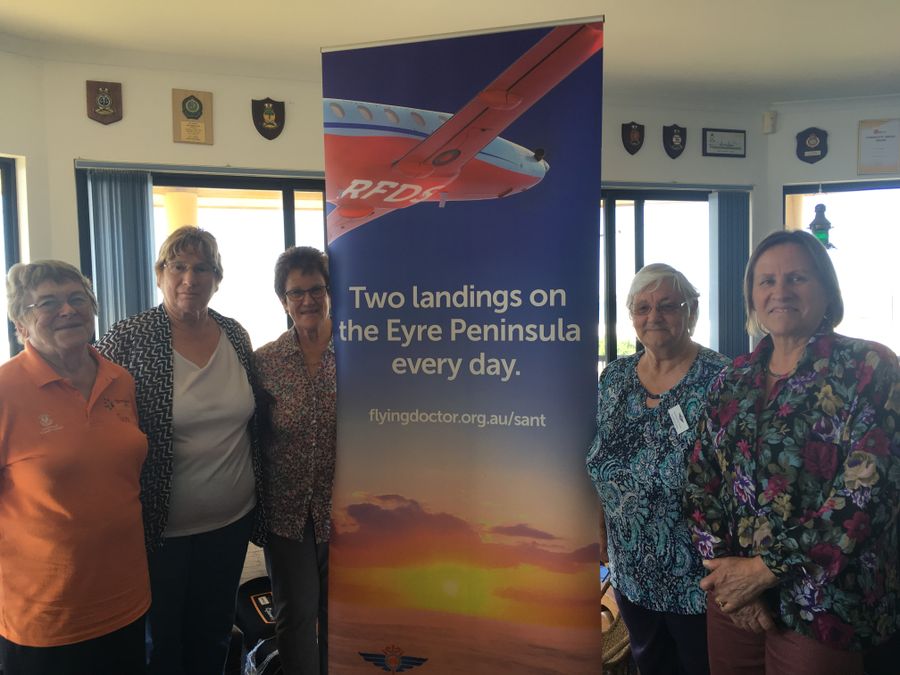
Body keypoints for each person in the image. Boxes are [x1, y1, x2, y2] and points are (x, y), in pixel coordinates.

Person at [685, 230, 899, 675]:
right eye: (766, 281)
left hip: (825, 605)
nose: (779, 291)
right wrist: (732, 579)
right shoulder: (732, 378)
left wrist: (764, 572)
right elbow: (700, 481)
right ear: (752, 297)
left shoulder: (869, 368)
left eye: (796, 278)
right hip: (734, 600)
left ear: (826, 291)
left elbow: (868, 495)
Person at [97, 226, 266, 675]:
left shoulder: (234, 334)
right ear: (160, 274)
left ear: (217, 278)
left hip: (231, 521)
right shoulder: (130, 337)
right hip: (158, 528)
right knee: (161, 641)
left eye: (203, 268)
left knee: (212, 633)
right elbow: (93, 413)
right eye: (179, 266)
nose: (190, 278)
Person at [0, 261, 149, 675]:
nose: (67, 310)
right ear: (21, 322)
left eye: (77, 299)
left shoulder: (120, 380)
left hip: (126, 598)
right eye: (47, 302)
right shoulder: (5, 391)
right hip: (46, 617)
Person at [586, 263, 728, 675]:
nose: (654, 317)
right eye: (642, 307)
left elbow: (739, 481)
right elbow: (598, 460)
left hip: (699, 577)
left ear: (692, 311)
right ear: (630, 316)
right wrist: (599, 525)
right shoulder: (614, 378)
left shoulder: (721, 378)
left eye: (668, 305)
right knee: (649, 664)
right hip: (631, 569)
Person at [255, 246, 335, 675]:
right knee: (296, 612)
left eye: (316, 289)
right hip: (287, 512)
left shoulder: (361, 355)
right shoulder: (264, 362)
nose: (307, 300)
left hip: (345, 507)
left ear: (330, 292)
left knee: (340, 611)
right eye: (296, 292)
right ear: (283, 300)